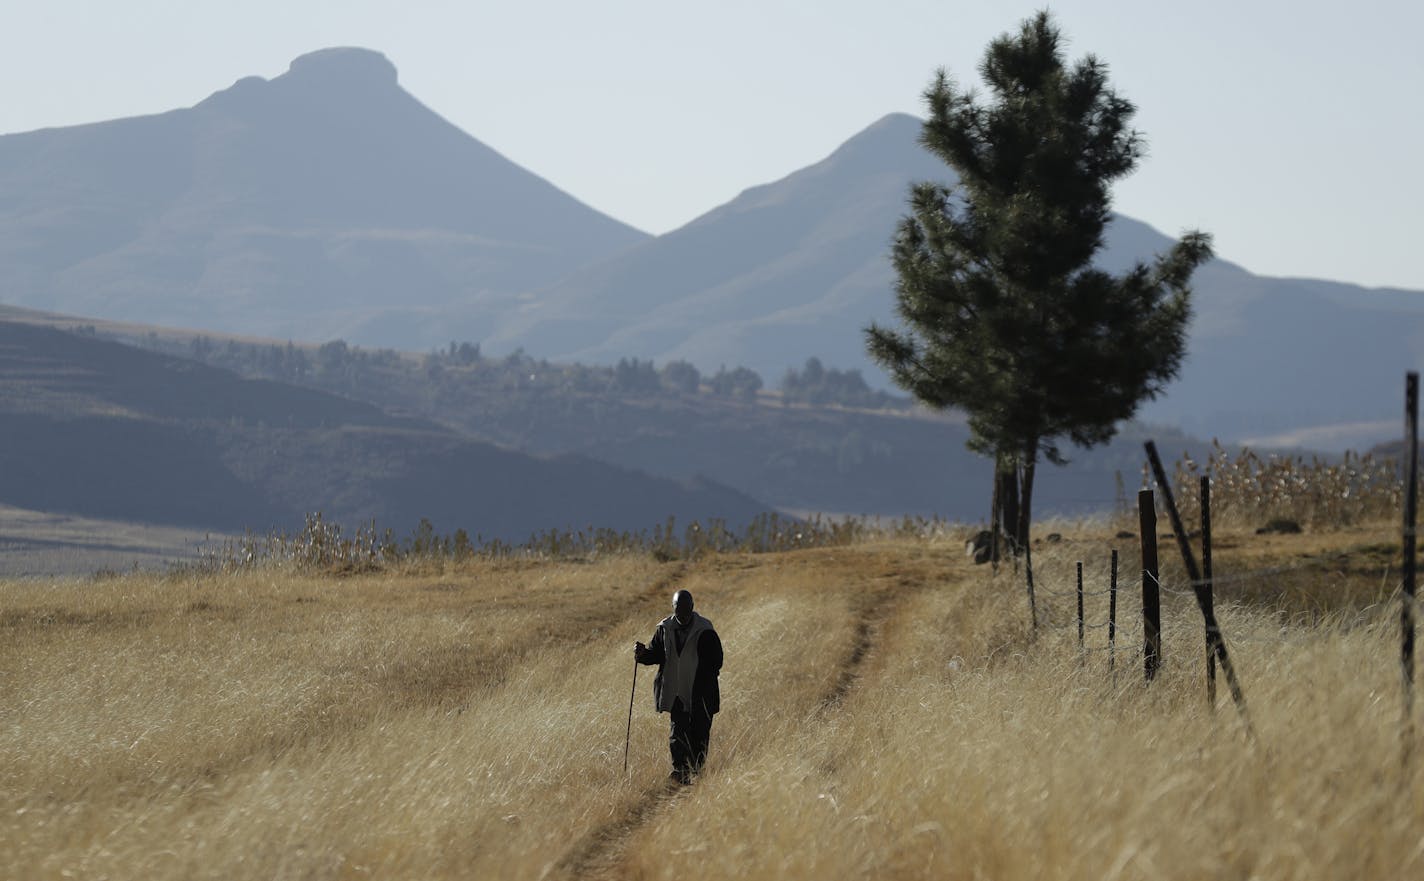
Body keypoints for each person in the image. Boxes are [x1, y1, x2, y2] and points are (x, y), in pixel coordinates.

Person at [634, 589, 723, 784]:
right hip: (676, 690)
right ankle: (680, 770)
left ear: (692, 607)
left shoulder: (705, 630)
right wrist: (642, 655)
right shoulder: (665, 628)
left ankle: (696, 770)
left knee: (700, 732)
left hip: (701, 692)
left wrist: (698, 677)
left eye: (685, 609)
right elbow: (655, 655)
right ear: (673, 608)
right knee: (678, 731)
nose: (681, 613)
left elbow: (717, 661)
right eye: (677, 609)